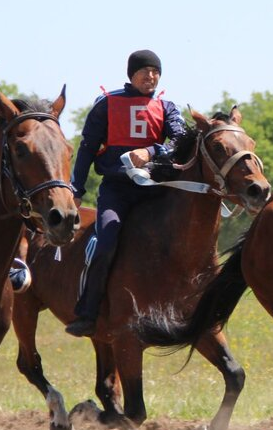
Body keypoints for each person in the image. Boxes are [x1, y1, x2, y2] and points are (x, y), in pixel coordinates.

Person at [65, 49, 187, 337]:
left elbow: (182, 142)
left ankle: (185, 307)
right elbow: (87, 149)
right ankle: (88, 311)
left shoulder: (167, 106)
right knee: (107, 239)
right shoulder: (106, 105)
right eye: (145, 70)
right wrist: (77, 189)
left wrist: (152, 150)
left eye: (156, 71)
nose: (152, 76)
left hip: (156, 190)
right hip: (117, 190)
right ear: (131, 73)